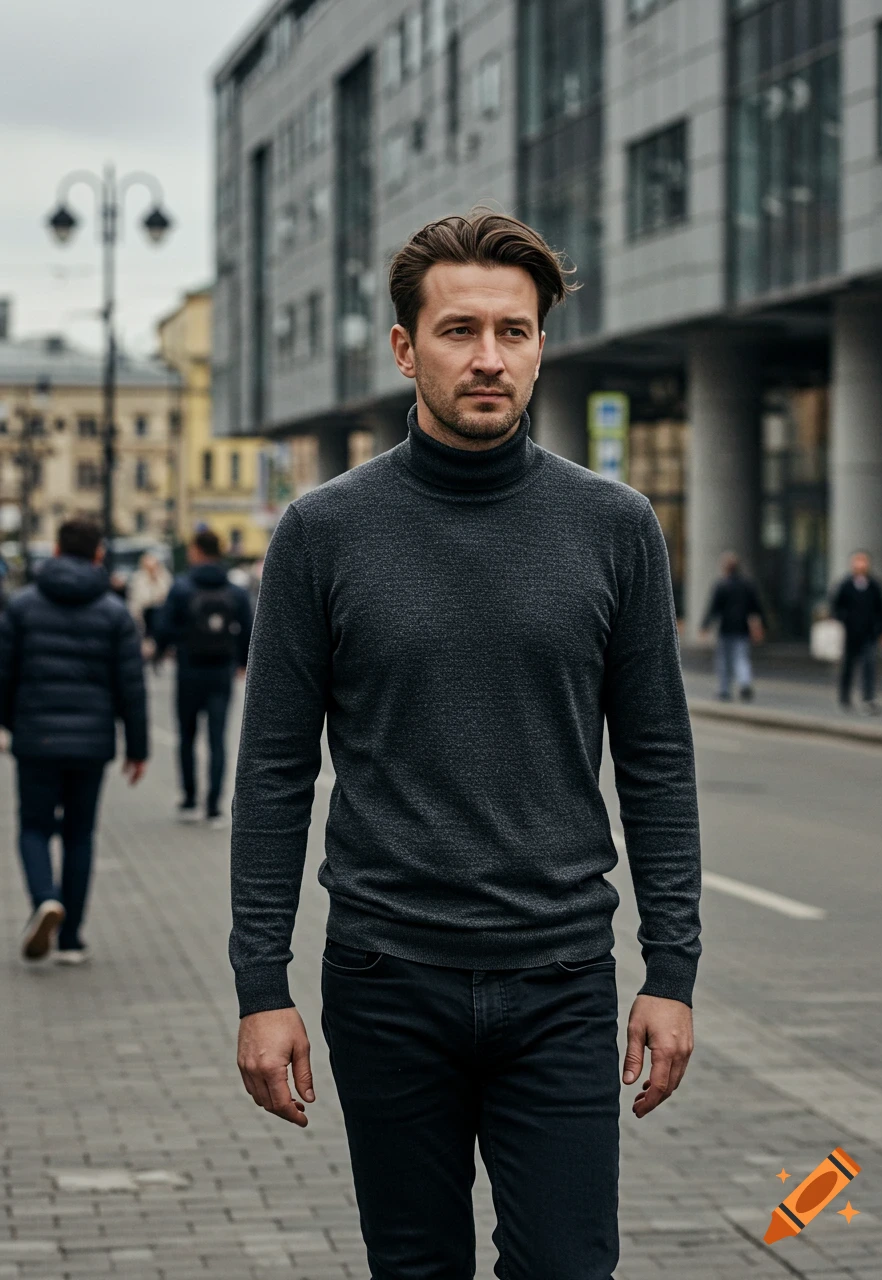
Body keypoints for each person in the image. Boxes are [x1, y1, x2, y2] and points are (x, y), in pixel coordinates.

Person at [230, 212, 702, 1280]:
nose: (488, 357)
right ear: (406, 348)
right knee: (415, 1265)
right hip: (386, 975)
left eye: (514, 331)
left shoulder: (614, 524)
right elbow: (270, 772)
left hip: (561, 976)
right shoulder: (322, 531)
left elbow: (657, 759)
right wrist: (262, 983)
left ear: (540, 344)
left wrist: (670, 967)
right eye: (458, 330)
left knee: (568, 1265)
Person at [0, 518, 147, 963]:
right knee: (80, 834)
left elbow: (4, 675)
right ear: (99, 554)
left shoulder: (22, 606)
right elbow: (131, 687)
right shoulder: (113, 611)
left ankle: (46, 898)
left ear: (56, 549)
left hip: (35, 738)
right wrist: (137, 748)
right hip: (92, 742)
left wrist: (11, 725)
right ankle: (70, 940)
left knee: (33, 827)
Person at [154, 529, 252, 828]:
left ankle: (189, 799)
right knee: (218, 739)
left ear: (196, 551)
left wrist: (165, 649)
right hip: (221, 671)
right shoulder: (234, 589)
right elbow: (249, 627)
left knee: (186, 735)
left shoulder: (182, 586)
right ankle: (214, 807)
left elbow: (163, 626)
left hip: (189, 669)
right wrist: (242, 663)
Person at [700, 552, 766, 701]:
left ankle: (724, 690)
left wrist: (705, 626)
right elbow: (757, 607)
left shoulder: (721, 585)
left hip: (726, 628)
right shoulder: (747, 585)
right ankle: (744, 683)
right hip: (742, 628)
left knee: (724, 661)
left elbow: (713, 608)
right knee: (741, 658)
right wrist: (762, 625)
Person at [831, 551, 882, 714]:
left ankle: (868, 698)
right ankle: (845, 697)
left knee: (869, 666)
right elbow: (836, 607)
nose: (860, 565)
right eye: (857, 561)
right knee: (848, 667)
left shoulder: (874, 586)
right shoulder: (846, 585)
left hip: (869, 634)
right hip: (851, 634)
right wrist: (844, 619)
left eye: (863, 561)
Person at [129, 551, 173, 654]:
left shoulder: (165, 577)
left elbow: (167, 597)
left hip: (161, 620)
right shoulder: (138, 579)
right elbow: (138, 601)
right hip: (144, 621)